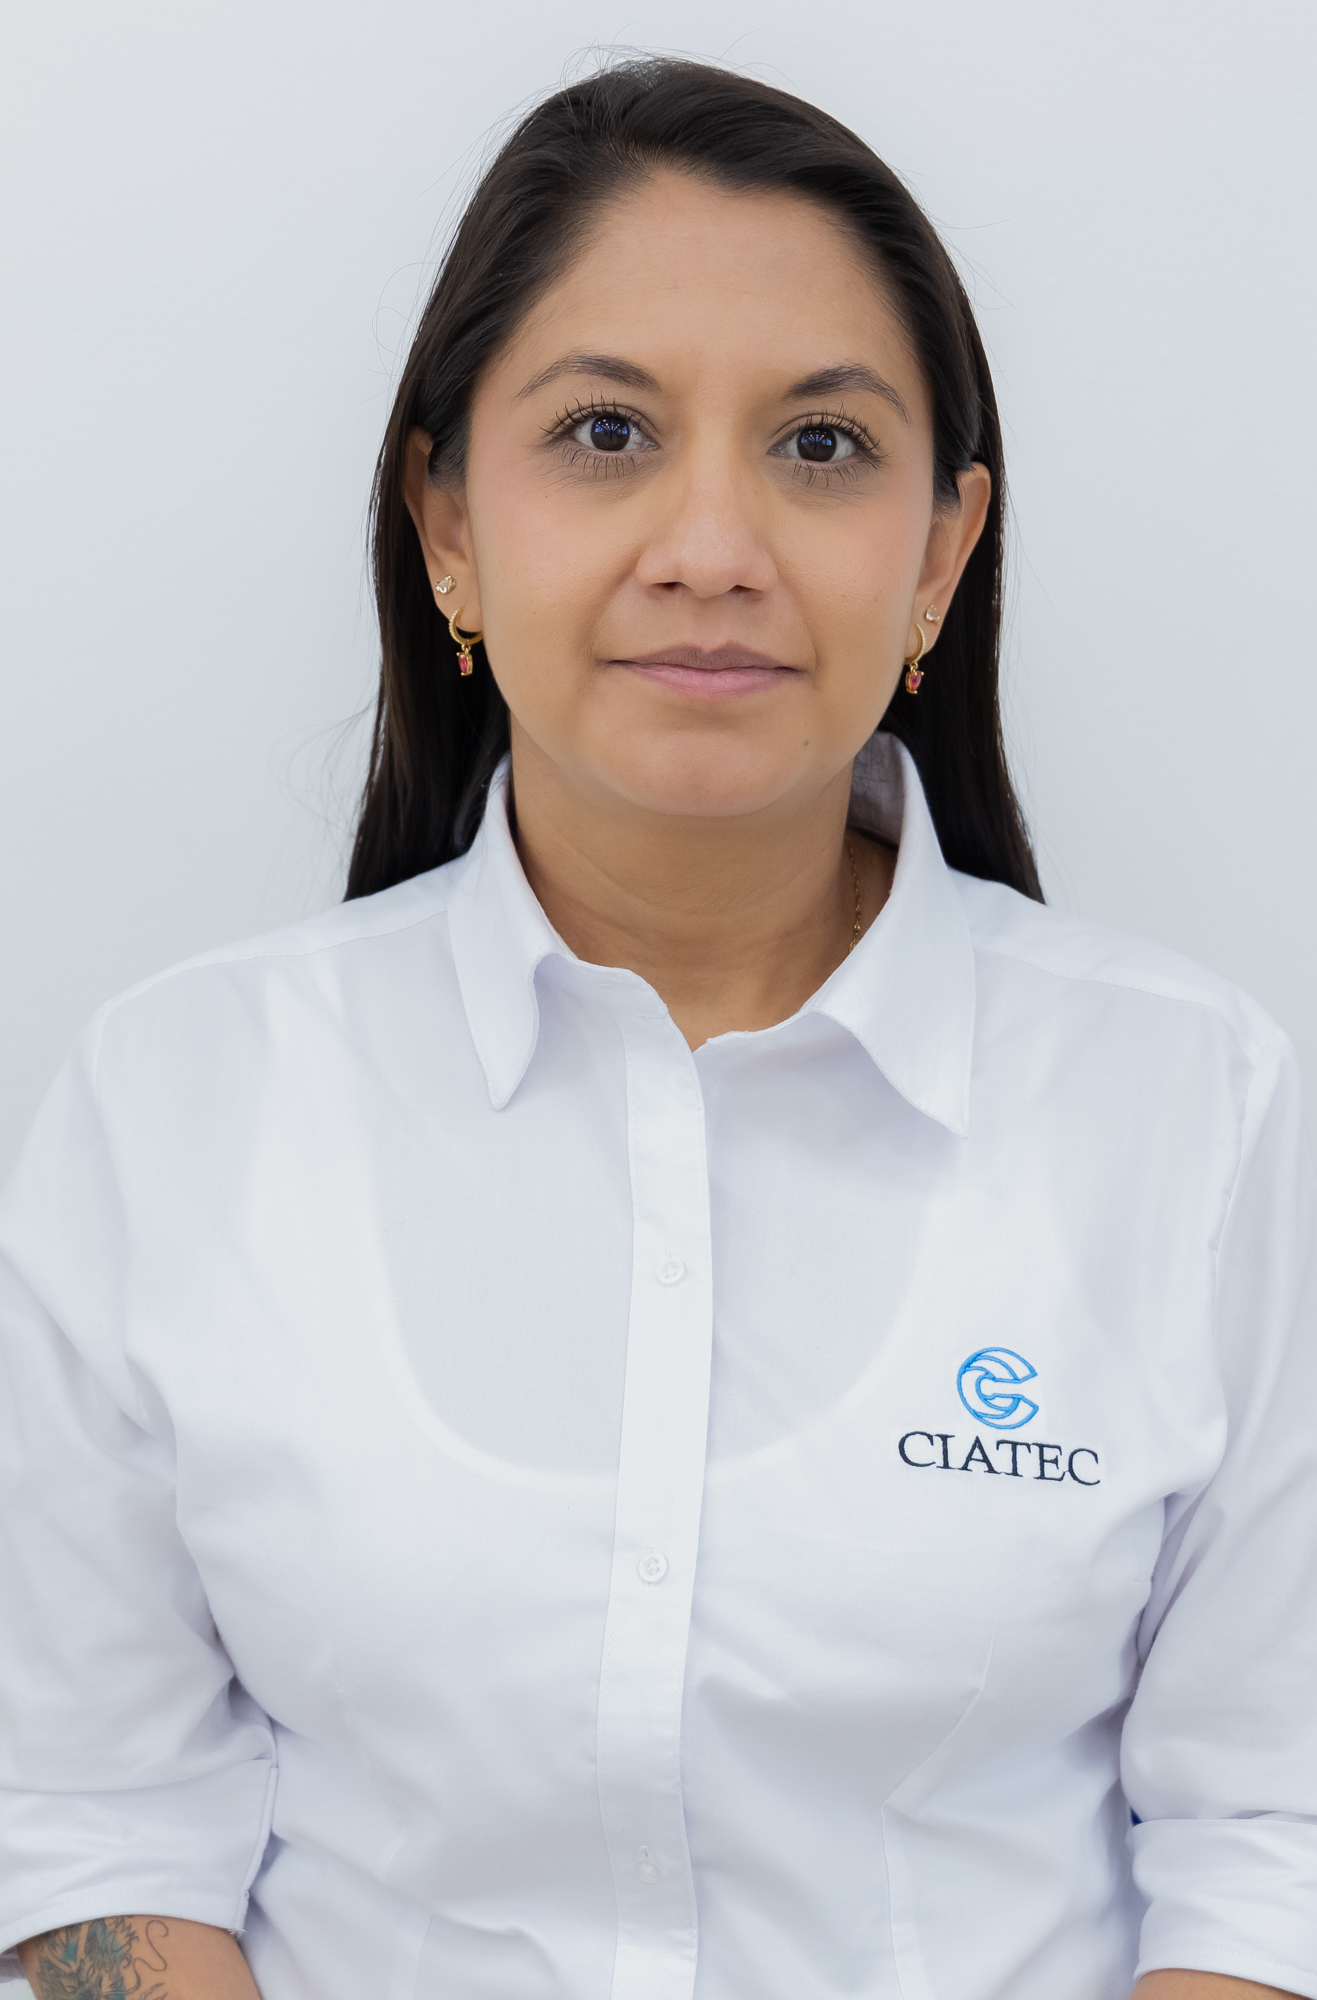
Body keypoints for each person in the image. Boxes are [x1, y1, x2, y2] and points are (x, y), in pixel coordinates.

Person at [1, 55, 1314, 2000]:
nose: (712, 543)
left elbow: (1268, 1834)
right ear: (446, 521)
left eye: (820, 445)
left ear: (938, 552)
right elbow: (96, 1813)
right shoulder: (177, 1101)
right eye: (604, 432)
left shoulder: (1187, 1106)